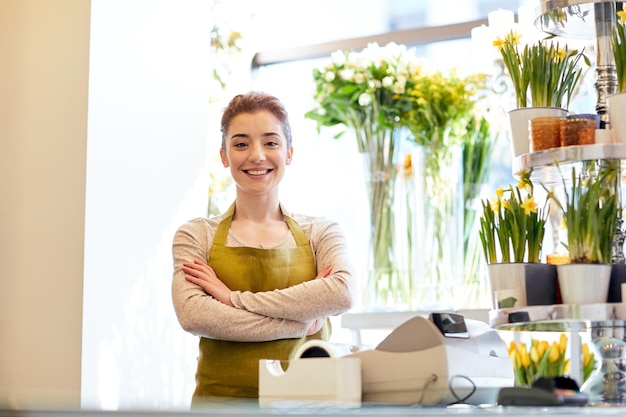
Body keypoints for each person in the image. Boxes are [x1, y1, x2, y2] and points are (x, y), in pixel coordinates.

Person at [171, 91, 355, 405]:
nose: (257, 155)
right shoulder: (195, 235)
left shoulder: (321, 232)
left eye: (271, 142)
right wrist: (302, 323)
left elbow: (340, 293)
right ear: (225, 155)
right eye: (241, 143)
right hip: (219, 407)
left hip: (309, 406)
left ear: (289, 152)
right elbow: (195, 316)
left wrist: (231, 298)